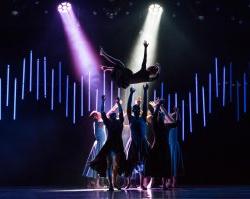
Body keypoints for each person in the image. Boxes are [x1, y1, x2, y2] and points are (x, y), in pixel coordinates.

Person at [90, 95, 126, 191]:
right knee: (110, 165)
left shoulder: (118, 122)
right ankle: (111, 185)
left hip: (116, 145)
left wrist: (118, 104)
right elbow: (103, 112)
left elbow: (120, 113)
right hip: (112, 145)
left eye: (114, 114)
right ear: (111, 117)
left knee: (116, 165)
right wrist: (104, 102)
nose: (114, 115)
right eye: (112, 115)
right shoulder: (110, 122)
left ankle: (114, 184)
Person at [145, 99, 177, 190]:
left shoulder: (165, 126)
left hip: (161, 146)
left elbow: (176, 123)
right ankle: (156, 182)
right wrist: (158, 106)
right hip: (159, 146)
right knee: (160, 163)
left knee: (164, 164)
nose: (162, 117)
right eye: (161, 116)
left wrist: (158, 106)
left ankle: (163, 184)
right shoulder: (158, 125)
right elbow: (175, 123)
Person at [125, 84, 149, 190]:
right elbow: (128, 107)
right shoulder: (131, 118)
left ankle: (142, 184)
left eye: (137, 109)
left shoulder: (143, 118)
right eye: (134, 109)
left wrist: (145, 91)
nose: (136, 110)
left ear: (139, 111)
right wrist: (130, 93)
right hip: (133, 142)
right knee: (130, 162)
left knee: (143, 162)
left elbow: (145, 107)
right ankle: (129, 183)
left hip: (142, 142)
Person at [82, 111, 106, 187]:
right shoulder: (98, 123)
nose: (99, 114)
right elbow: (106, 116)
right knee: (99, 163)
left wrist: (115, 106)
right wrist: (116, 106)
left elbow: (106, 116)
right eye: (97, 114)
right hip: (99, 145)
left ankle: (93, 183)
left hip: (100, 144)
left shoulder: (98, 122)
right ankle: (96, 183)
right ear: (95, 116)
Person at [164, 107, 184, 188]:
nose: (168, 116)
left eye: (170, 115)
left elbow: (165, 114)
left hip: (173, 146)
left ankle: (174, 181)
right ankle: (170, 181)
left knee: (174, 163)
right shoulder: (171, 124)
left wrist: (160, 106)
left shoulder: (173, 123)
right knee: (171, 163)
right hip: (170, 145)